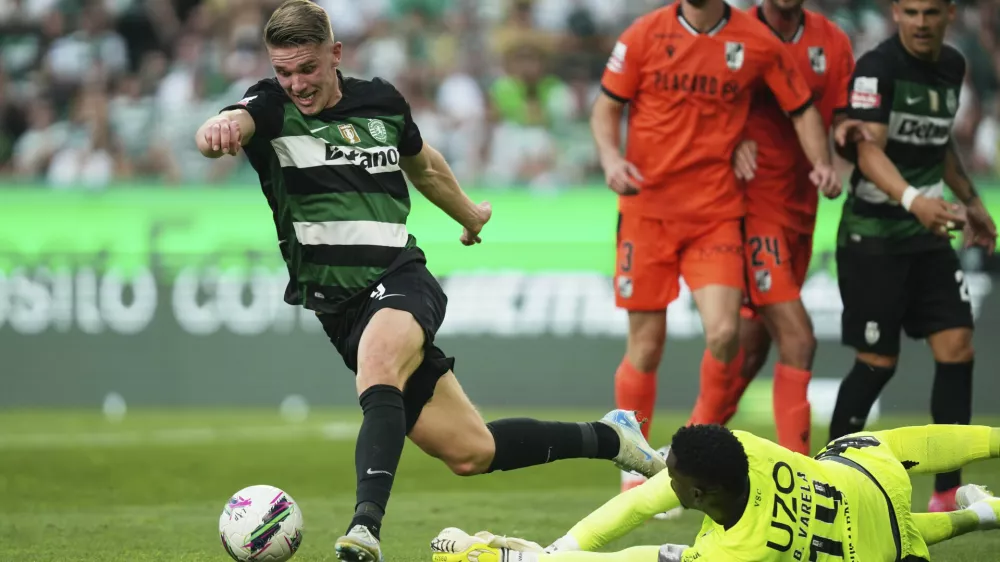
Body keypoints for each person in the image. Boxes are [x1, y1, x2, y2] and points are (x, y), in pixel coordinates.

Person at [193, 2, 667, 561]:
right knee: (473, 451)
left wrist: (468, 214)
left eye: (307, 69)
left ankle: (365, 529)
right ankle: (614, 438)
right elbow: (225, 125)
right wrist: (216, 128)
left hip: (400, 278)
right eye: (284, 71)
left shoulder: (382, 103)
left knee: (378, 364)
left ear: (334, 55)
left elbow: (424, 167)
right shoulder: (269, 109)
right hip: (338, 310)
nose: (296, 83)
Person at [592, 0, 841, 494]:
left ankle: (686, 454)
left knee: (725, 333)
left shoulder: (756, 40)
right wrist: (610, 158)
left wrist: (822, 164)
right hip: (647, 211)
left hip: (716, 213)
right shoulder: (644, 35)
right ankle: (633, 466)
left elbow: (801, 108)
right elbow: (606, 106)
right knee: (646, 345)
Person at [828, 0, 998, 512]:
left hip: (929, 234)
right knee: (878, 362)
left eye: (930, 12)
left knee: (958, 348)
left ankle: (947, 492)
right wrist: (914, 201)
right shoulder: (877, 69)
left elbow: (939, 143)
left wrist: (971, 203)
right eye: (910, 12)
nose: (920, 23)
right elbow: (867, 149)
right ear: (895, 14)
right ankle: (834, 480)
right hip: (874, 235)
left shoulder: (952, 65)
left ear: (949, 14)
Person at [431, 423, 1000, 562]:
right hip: (869, 487)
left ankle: (981, 516)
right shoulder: (744, 449)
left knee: (895, 534)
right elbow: (924, 442)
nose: (662, 480)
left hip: (888, 554)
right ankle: (984, 512)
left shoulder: (737, 552)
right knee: (886, 459)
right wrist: (556, 553)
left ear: (699, 493)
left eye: (671, 475)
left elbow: (642, 554)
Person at [690, 0, 857, 456]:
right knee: (798, 337)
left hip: (802, 209)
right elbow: (698, 106)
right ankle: (804, 473)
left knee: (751, 346)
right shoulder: (734, 34)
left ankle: (683, 458)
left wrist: (837, 151)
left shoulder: (834, 41)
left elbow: (842, 113)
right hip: (751, 208)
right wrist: (732, 138)